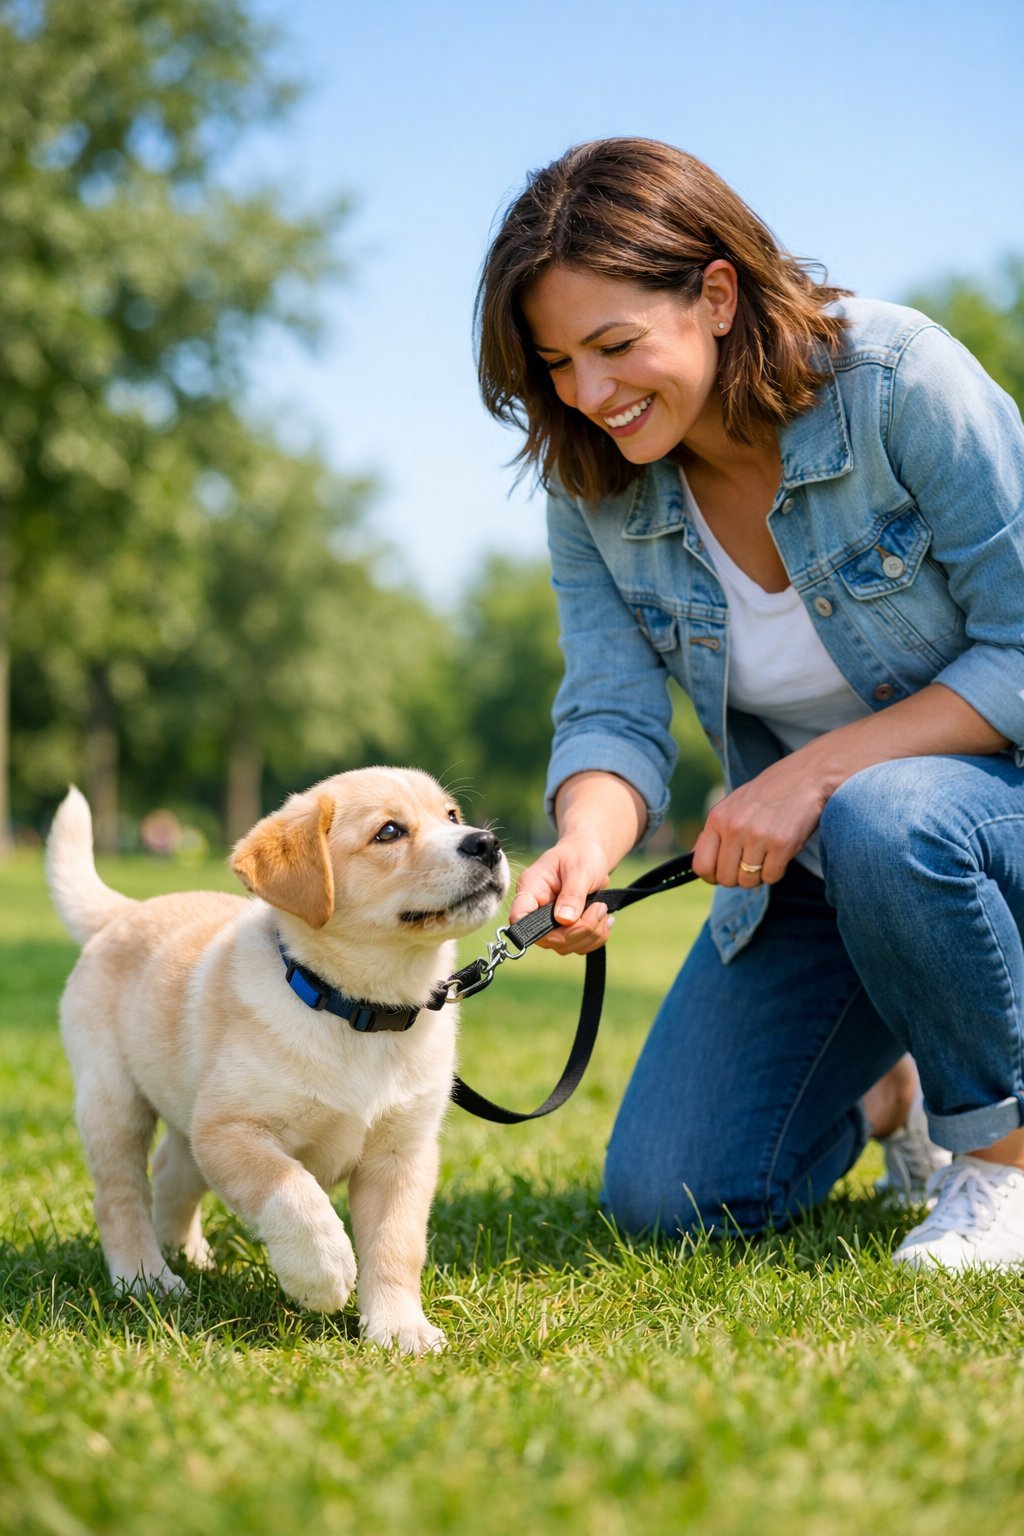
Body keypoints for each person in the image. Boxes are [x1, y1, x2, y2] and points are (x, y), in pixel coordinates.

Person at [474, 137, 1024, 1269]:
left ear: (715, 294)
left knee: (887, 812)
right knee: (674, 1196)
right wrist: (582, 843)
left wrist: (816, 773)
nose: (587, 394)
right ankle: (898, 1098)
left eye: (614, 346)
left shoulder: (897, 381)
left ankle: (1003, 1169)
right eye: (557, 362)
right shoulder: (592, 486)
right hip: (834, 870)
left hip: (968, 828)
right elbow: (612, 714)